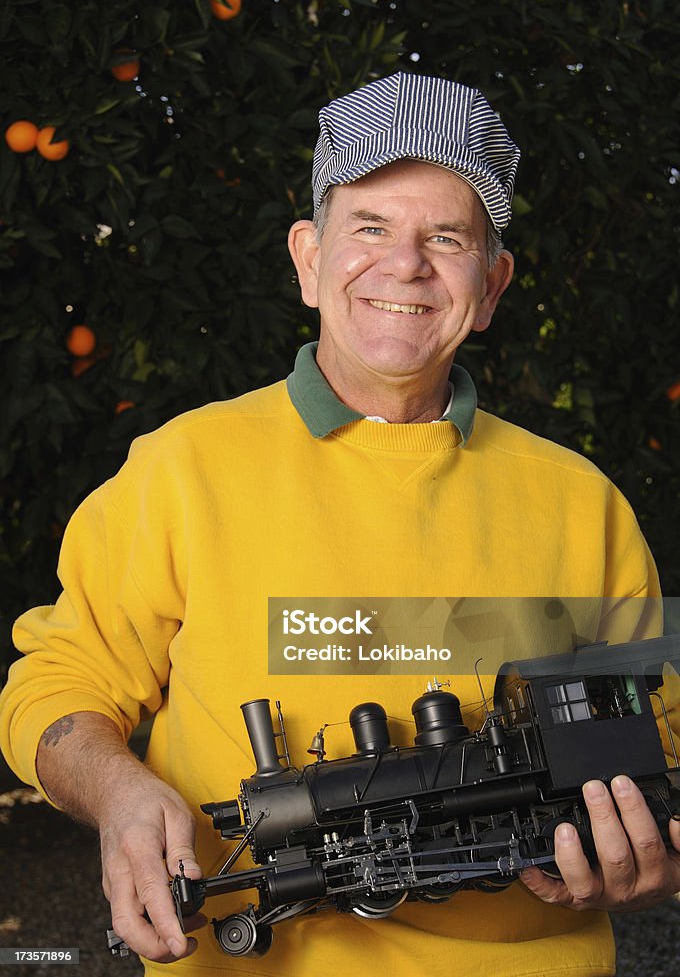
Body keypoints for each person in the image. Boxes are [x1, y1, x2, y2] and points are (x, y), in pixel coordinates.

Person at [1, 72, 679, 977]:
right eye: (369, 227)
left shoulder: (581, 503)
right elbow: (56, 681)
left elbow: (659, 750)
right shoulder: (182, 469)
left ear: (492, 287)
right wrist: (119, 790)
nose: (406, 265)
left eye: (446, 237)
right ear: (308, 259)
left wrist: (652, 856)